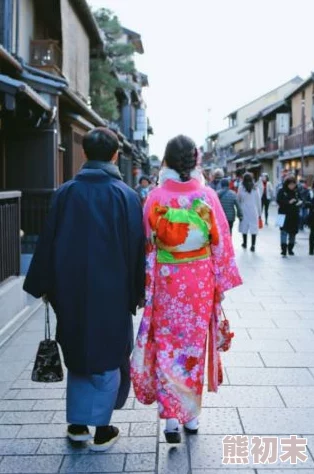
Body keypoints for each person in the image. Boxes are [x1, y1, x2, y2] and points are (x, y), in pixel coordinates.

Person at [23, 128, 145, 451]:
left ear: (86, 154)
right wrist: (137, 291)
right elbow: (136, 249)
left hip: (71, 288)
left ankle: (77, 426)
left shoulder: (65, 192)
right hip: (113, 290)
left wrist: (44, 285)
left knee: (78, 353)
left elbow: (48, 240)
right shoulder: (127, 196)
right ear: (116, 155)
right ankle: (102, 429)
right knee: (110, 353)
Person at [131, 135, 242, 444]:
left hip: (167, 281)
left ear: (165, 160)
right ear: (195, 161)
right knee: (192, 349)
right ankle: (191, 417)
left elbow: (147, 242)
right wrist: (220, 283)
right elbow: (222, 244)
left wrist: (147, 281)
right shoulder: (207, 196)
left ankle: (170, 421)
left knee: (168, 346)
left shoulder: (155, 197)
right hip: (198, 283)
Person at [277, 175, 302, 257]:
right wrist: (288, 202)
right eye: (290, 184)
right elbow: (278, 200)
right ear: (286, 184)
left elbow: (302, 200)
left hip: (294, 215)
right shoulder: (281, 191)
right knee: (283, 232)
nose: (292, 186)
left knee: (293, 232)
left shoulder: (297, 192)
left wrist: (299, 202)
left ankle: (290, 249)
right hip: (282, 214)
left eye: (293, 184)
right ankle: (283, 249)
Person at [238, 172, 262, 252]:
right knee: (253, 227)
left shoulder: (241, 188)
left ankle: (244, 243)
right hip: (253, 210)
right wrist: (259, 213)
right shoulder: (255, 188)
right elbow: (259, 201)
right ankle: (253, 245)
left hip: (244, 209)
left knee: (244, 226)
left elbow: (238, 199)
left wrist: (238, 210)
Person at [306, 182, 314, 255]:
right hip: (312, 216)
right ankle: (311, 250)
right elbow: (307, 203)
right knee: (312, 233)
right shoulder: (311, 193)